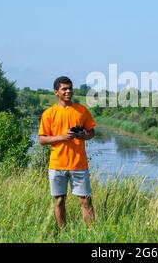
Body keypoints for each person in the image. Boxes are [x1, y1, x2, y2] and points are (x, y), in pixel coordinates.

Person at [38, 76, 96, 229]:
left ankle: (92, 234)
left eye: (70, 88)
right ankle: (62, 232)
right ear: (56, 92)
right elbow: (42, 140)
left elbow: (91, 132)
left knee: (85, 200)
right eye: (64, 88)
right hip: (57, 165)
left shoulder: (82, 110)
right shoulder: (49, 113)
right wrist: (62, 137)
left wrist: (83, 135)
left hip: (79, 164)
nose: (68, 91)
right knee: (59, 201)